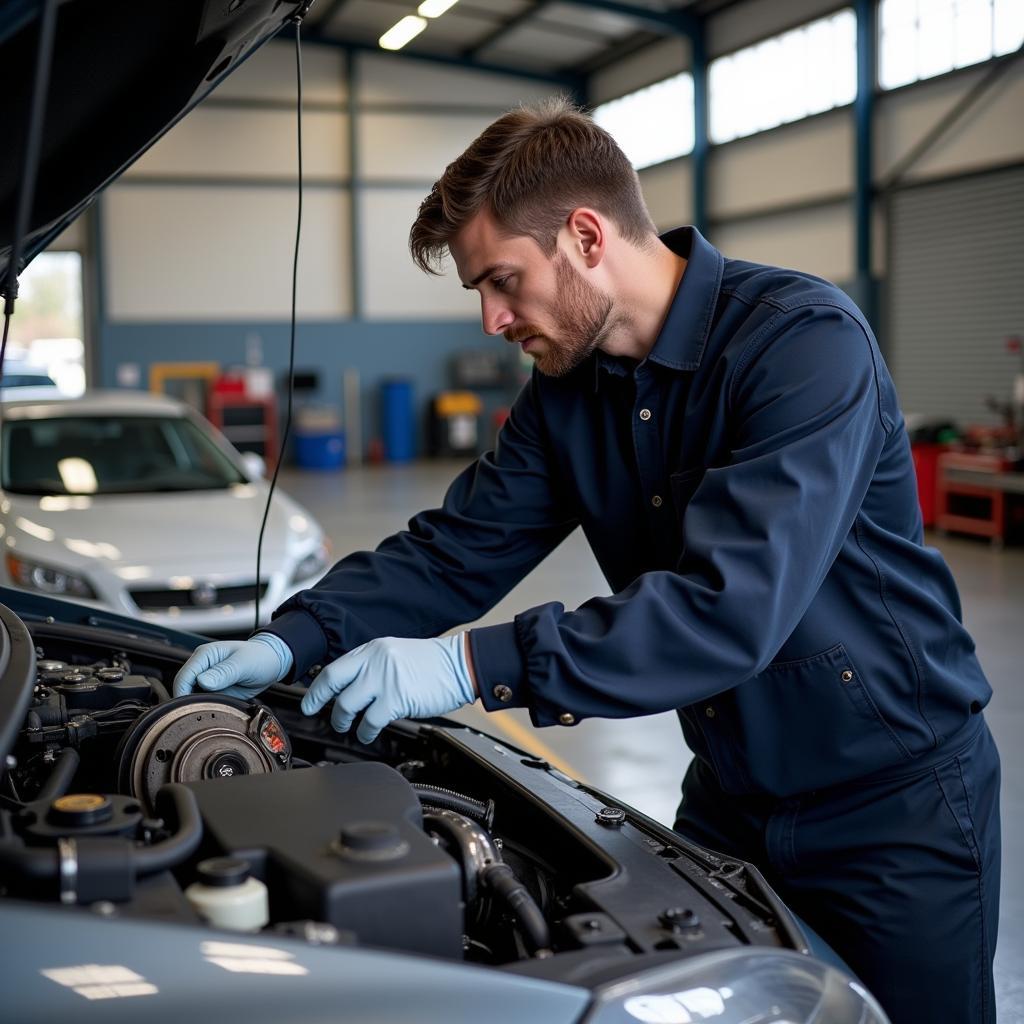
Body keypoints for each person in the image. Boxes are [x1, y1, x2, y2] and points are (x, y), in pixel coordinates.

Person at [174, 98, 1000, 1023]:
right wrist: (295, 639)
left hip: (891, 806)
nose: (492, 319)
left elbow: (726, 610)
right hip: (732, 792)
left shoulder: (802, 345)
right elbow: (459, 548)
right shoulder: (567, 393)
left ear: (586, 235)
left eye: (502, 281)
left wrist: (466, 664)